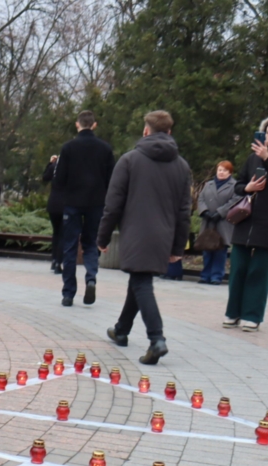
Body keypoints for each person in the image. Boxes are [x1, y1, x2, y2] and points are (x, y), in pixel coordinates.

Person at [97, 110, 190, 364]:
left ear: (146, 130)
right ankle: (122, 329)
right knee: (139, 279)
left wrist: (102, 237)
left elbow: (113, 204)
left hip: (136, 233)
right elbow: (184, 211)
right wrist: (178, 246)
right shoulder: (182, 166)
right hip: (163, 235)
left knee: (141, 283)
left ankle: (156, 339)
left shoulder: (129, 160)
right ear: (169, 132)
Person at [224, 115, 268, 331]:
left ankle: (252, 316)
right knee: (239, 268)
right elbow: (238, 185)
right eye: (267, 132)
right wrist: (247, 188)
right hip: (245, 218)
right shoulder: (252, 158)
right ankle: (233, 312)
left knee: (259, 271)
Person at [53, 110, 114, 306]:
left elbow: (59, 178)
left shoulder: (68, 147)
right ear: (94, 125)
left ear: (77, 124)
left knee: (70, 245)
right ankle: (91, 278)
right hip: (96, 202)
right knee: (91, 243)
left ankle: (68, 293)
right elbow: (112, 178)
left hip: (72, 202)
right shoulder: (105, 149)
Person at [196, 161, 238, 285]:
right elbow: (201, 199)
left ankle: (216, 276)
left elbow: (234, 201)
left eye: (224, 170)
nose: (221, 172)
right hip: (208, 221)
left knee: (220, 250)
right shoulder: (208, 184)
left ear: (230, 172)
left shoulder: (234, 185)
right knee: (207, 249)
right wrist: (204, 212)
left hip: (223, 222)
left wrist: (220, 212)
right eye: (219, 170)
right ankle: (205, 275)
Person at [42, 154, 65, 273]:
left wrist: (50, 163)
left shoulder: (54, 167)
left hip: (53, 204)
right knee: (62, 234)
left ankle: (54, 260)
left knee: (56, 233)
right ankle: (58, 263)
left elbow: (45, 177)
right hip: (65, 204)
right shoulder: (70, 168)